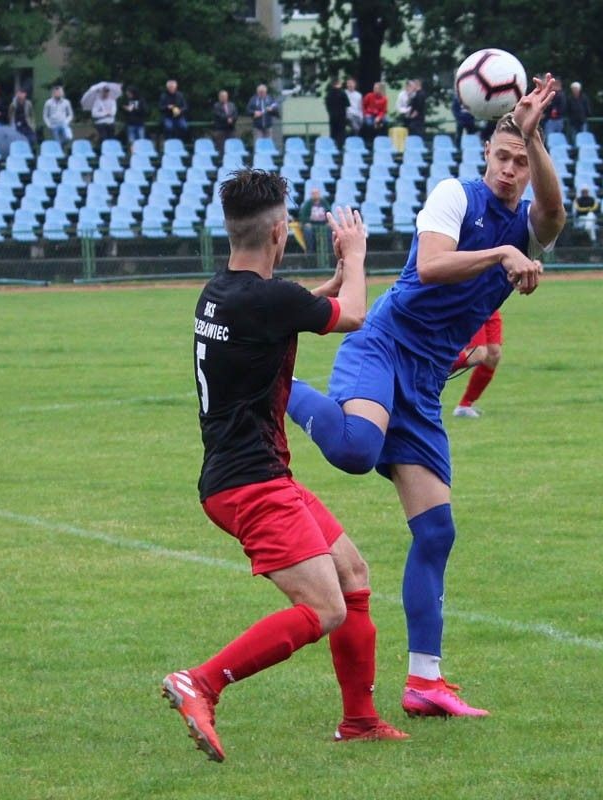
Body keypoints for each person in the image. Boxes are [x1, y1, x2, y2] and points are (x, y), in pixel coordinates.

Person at [284, 77, 565, 718]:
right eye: (503, 157)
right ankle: (284, 386)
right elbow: (434, 266)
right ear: (485, 158)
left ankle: (424, 683)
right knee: (356, 451)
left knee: (436, 531)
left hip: (425, 381)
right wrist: (500, 254)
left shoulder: (529, 220)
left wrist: (536, 136)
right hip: (383, 346)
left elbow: (552, 216)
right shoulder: (453, 196)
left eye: (521, 162)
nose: (511, 169)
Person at [162, 169, 407, 762]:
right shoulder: (268, 300)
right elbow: (351, 314)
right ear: (280, 232)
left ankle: (360, 720)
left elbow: (293, 308)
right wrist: (355, 254)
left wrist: (331, 282)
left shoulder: (220, 291)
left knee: (351, 572)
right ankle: (202, 681)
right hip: (252, 485)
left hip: (248, 474)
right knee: (324, 609)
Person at [450, 310, 503, 419]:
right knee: (477, 354)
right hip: (473, 301)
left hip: (491, 302)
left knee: (493, 354)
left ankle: (464, 406)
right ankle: (428, 371)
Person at [298, 186, 330, 253]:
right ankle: (310, 251)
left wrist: (328, 221)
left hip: (323, 224)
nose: (315, 195)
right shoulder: (307, 204)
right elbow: (303, 216)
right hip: (311, 224)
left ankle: (328, 251)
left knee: (330, 229)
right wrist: (306, 222)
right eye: (313, 193)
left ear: (319, 194)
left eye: (316, 193)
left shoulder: (324, 203)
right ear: (311, 195)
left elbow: (329, 213)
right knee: (308, 230)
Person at [325, 79, 350, 143]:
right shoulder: (342, 93)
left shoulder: (328, 94)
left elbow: (327, 105)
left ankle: (333, 147)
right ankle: (340, 148)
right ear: (338, 84)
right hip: (341, 116)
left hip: (332, 116)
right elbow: (348, 104)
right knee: (341, 134)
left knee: (333, 133)